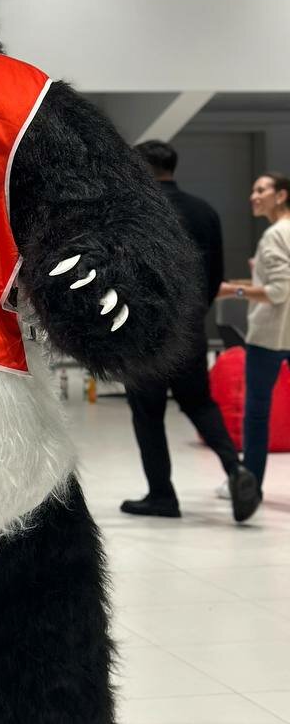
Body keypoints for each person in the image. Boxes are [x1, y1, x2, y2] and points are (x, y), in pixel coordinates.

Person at [120, 141, 260, 522]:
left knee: (147, 413)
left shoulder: (134, 211)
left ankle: (162, 496)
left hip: (144, 332)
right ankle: (236, 469)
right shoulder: (204, 211)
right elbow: (215, 275)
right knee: (199, 403)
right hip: (189, 328)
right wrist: (195, 312)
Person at [218, 171, 290, 496]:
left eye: (261, 190)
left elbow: (277, 292)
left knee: (257, 414)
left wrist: (232, 291)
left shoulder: (274, 236)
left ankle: (251, 485)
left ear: (281, 195)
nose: (254, 196)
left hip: (271, 336)